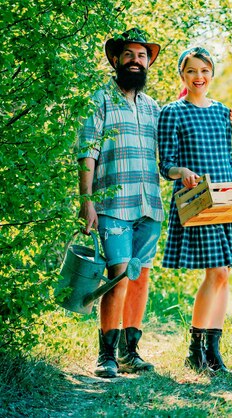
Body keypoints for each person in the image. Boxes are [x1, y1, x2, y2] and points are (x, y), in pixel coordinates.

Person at [157, 46, 232, 374]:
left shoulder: (222, 112)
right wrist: (182, 173)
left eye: (204, 71)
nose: (199, 77)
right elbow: (167, 165)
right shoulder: (172, 113)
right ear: (182, 75)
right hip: (198, 199)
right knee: (217, 272)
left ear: (212, 74)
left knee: (225, 275)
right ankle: (196, 350)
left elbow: (226, 162)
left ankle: (212, 352)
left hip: (227, 196)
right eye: (192, 71)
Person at [76, 28, 164, 378]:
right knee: (117, 277)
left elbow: (171, 151)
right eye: (129, 55)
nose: (135, 61)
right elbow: (87, 153)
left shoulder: (154, 107)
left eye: (142, 56)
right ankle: (107, 356)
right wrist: (87, 202)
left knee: (139, 278)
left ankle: (131, 352)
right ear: (116, 60)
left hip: (149, 207)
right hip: (112, 204)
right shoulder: (99, 99)